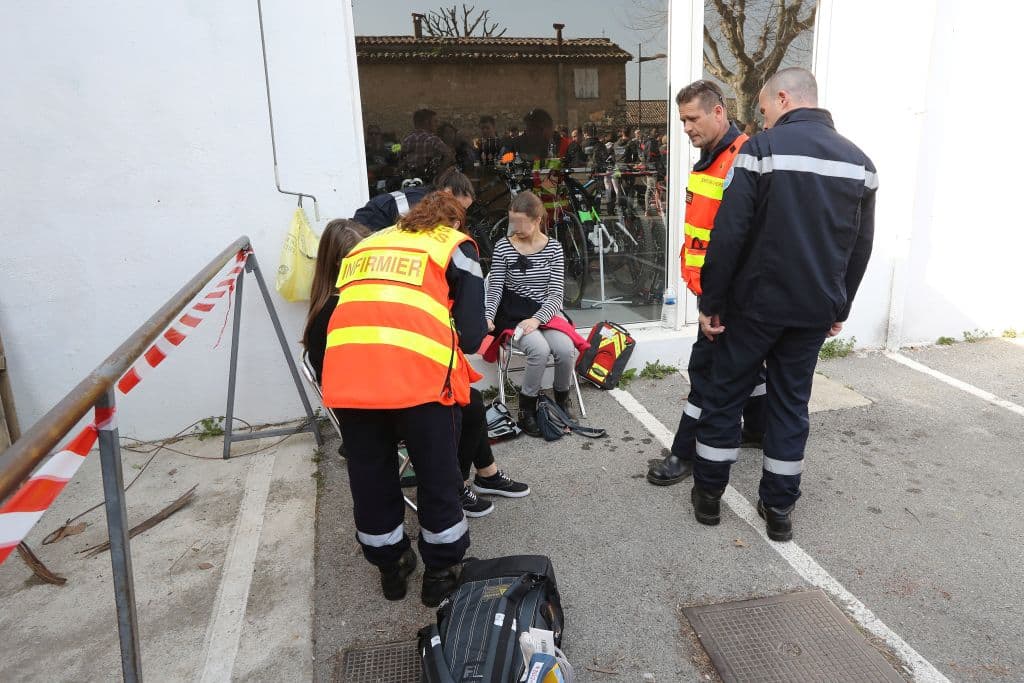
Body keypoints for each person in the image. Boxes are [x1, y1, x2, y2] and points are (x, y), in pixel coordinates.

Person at [690, 67, 876, 541]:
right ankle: (779, 510)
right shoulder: (860, 163)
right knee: (791, 407)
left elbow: (729, 236)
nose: (763, 115)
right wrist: (841, 306)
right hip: (813, 310)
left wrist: (712, 301)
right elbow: (860, 245)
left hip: (755, 307)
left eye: (765, 106)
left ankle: (709, 498)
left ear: (783, 98)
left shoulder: (760, 151)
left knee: (725, 395)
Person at [303, 215, 530, 521]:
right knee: (466, 403)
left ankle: (480, 475)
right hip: (377, 405)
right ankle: (457, 485)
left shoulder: (336, 304)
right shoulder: (343, 308)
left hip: (376, 397)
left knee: (468, 399)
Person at [321, 192, 486, 606]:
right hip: (419, 384)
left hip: (350, 380)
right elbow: (469, 335)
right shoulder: (454, 247)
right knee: (437, 477)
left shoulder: (367, 244)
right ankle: (440, 575)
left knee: (371, 480)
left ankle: (391, 570)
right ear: (454, 223)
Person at [647, 79, 767, 487]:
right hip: (713, 286)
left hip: (726, 294)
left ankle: (683, 454)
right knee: (749, 368)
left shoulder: (741, 159)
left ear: (718, 112)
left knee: (706, 372)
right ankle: (759, 429)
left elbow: (736, 240)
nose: (686, 128)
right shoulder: (716, 157)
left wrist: (713, 301)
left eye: (692, 118)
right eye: (682, 121)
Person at [485, 191, 577, 435]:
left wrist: (538, 319)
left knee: (566, 350)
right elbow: (494, 289)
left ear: (538, 220)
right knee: (539, 349)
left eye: (521, 223)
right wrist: (488, 316)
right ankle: (527, 408)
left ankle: (561, 399)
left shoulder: (554, 249)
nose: (515, 228)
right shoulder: (504, 247)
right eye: (512, 221)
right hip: (514, 311)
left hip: (544, 311)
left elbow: (556, 294)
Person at [351, 167, 474, 231]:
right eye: (461, 208)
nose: (461, 214)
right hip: (363, 234)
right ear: (448, 193)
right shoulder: (420, 204)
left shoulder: (427, 199)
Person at [398, 108, 453, 182]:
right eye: (435, 121)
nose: (437, 124)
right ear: (427, 122)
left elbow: (400, 161)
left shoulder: (406, 141)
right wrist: (440, 172)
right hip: (429, 181)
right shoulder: (433, 139)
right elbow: (449, 155)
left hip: (411, 181)